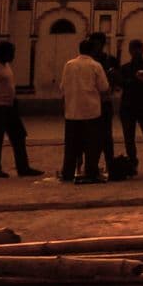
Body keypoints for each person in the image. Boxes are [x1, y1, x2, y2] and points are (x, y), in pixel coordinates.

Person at [58, 35, 113, 183]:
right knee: (91, 145)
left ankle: (67, 172)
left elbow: (62, 87)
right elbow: (104, 87)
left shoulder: (69, 64)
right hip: (91, 111)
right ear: (93, 50)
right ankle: (91, 171)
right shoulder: (95, 65)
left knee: (71, 145)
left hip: (72, 111)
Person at [0, 43, 37, 177]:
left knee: (19, 136)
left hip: (9, 106)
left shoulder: (6, 66)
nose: (13, 55)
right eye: (11, 52)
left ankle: (23, 167)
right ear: (3, 53)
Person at [111, 41, 143, 172]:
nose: (136, 52)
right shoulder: (126, 68)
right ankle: (133, 162)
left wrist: (130, 81)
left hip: (142, 106)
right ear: (130, 51)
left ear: (142, 49)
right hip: (129, 107)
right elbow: (122, 83)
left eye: (138, 49)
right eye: (134, 49)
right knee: (130, 138)